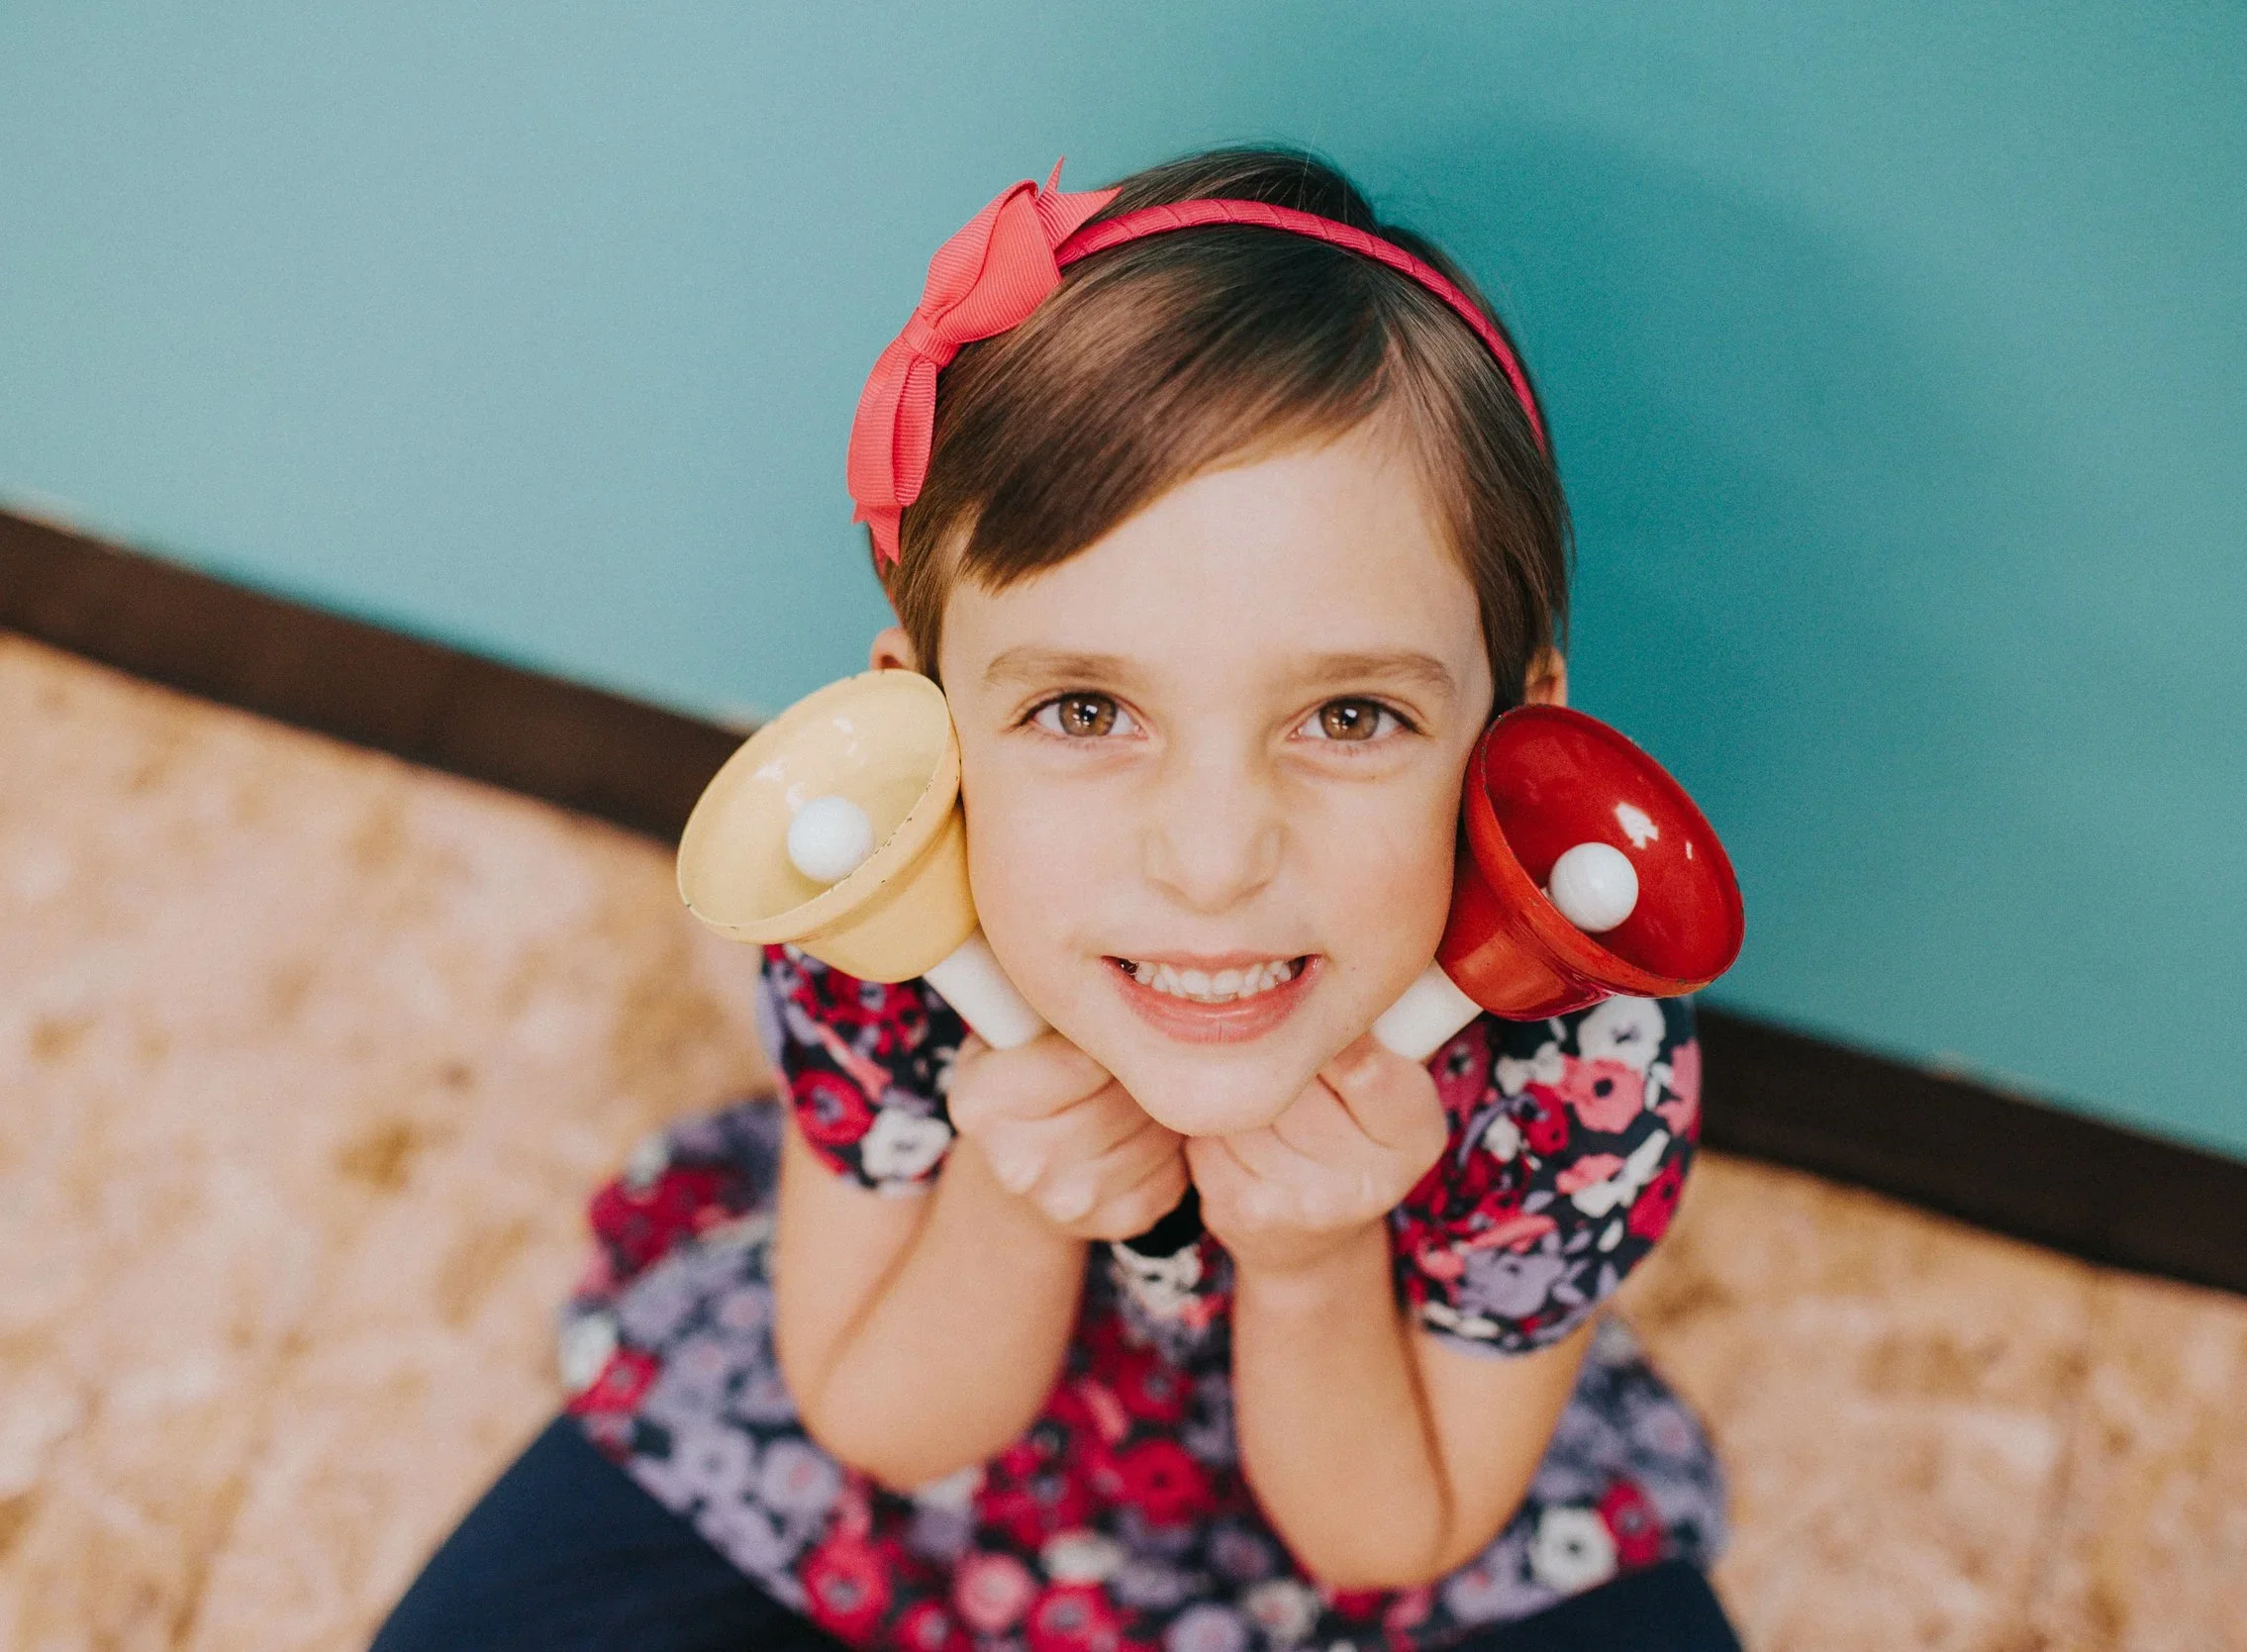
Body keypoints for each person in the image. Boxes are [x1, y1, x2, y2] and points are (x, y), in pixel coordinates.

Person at [373, 146, 1740, 1652]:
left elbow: (1389, 1537)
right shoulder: (880, 922)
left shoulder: (1575, 1063)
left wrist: (1308, 1266)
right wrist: (1012, 1205)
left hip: (1362, 1502)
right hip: (924, 1459)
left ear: (1524, 750)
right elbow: (874, 1421)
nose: (1213, 863)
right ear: (919, 728)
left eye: (1351, 717)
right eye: (1085, 711)